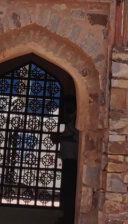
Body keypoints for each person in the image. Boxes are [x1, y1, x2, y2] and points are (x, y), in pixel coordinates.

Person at [52, 95, 78, 224]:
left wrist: (60, 138)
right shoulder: (70, 123)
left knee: (70, 191)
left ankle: (69, 218)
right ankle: (66, 216)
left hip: (73, 161)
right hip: (68, 159)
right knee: (66, 190)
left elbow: (76, 139)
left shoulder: (76, 122)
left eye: (68, 109)